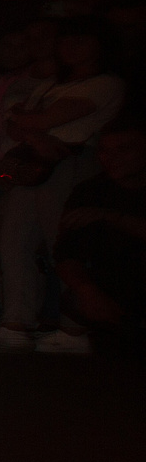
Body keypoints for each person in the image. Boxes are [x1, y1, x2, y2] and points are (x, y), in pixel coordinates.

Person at [0, 23, 128, 351]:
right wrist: (32, 132)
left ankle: (75, 329)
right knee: (12, 241)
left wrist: (31, 125)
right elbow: (15, 123)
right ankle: (16, 324)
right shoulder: (49, 86)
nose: (71, 47)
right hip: (31, 164)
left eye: (81, 39)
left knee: (63, 243)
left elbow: (36, 120)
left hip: (71, 162)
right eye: (66, 40)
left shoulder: (106, 84)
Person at [47, 118, 146, 356]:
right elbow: (66, 252)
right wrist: (85, 289)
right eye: (104, 151)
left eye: (123, 149)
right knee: (76, 298)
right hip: (120, 288)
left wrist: (111, 217)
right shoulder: (90, 192)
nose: (111, 158)